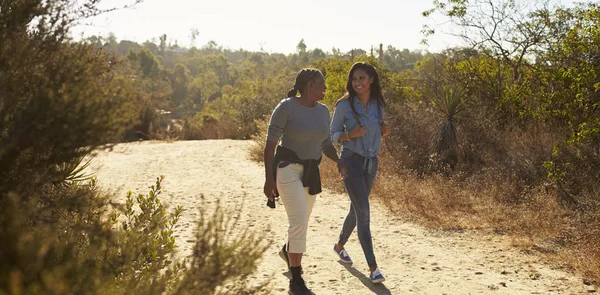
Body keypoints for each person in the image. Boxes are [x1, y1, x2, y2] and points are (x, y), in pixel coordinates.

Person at [264, 68, 345, 295]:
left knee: (302, 222)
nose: (326, 88)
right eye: (322, 84)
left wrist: (338, 161)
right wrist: (268, 180)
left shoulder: (323, 111)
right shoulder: (286, 107)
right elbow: (270, 145)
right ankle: (296, 282)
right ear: (310, 85)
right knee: (299, 220)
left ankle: (288, 251)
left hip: (311, 172)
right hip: (287, 168)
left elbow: (325, 143)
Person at [330, 62, 392, 284]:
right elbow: (332, 135)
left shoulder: (378, 104)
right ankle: (373, 268)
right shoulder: (344, 106)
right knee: (364, 212)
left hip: (371, 163)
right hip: (350, 162)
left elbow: (377, 128)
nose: (358, 83)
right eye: (354, 79)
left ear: (372, 80)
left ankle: (339, 246)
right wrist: (350, 135)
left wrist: (382, 131)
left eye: (362, 78)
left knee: (356, 210)